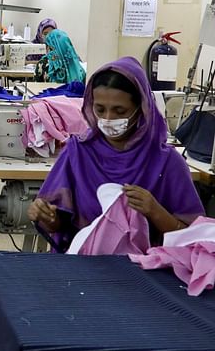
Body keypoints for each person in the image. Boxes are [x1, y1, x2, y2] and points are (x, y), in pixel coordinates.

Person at [27, 57, 204, 252]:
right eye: (100, 109)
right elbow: (61, 227)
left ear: (142, 109)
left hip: (145, 270)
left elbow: (194, 238)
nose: (108, 119)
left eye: (120, 111)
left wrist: (155, 211)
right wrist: (48, 217)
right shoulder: (77, 153)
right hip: (83, 268)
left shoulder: (167, 163)